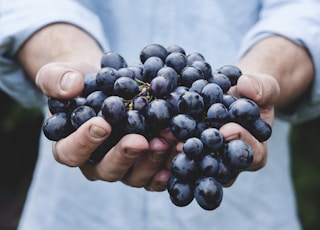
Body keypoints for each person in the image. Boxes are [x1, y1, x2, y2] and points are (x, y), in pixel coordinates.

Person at [1, 1, 320, 229]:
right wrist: (66, 61)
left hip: (248, 214)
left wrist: (264, 75)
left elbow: (306, 11)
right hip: (76, 213)